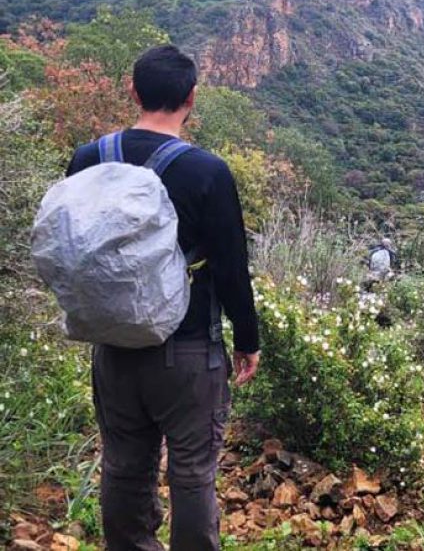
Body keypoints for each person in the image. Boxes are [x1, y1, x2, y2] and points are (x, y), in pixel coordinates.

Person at [65, 45, 260, 551]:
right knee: (193, 473)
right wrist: (248, 338)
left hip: (113, 347)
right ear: (191, 97)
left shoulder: (89, 158)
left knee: (125, 467)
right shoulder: (206, 172)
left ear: (132, 90)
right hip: (188, 350)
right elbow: (231, 266)